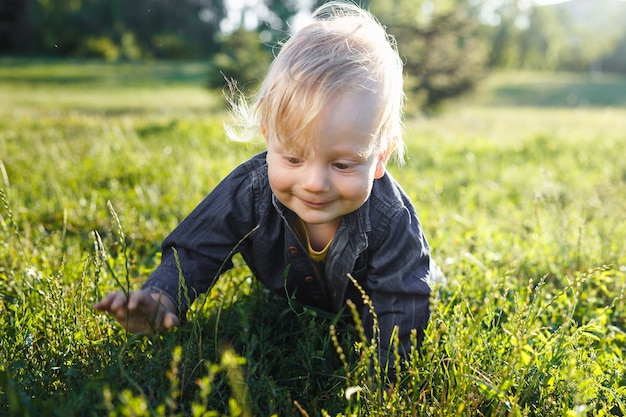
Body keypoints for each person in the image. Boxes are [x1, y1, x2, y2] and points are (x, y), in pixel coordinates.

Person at [94, 0, 439, 383]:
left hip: (366, 308)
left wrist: (387, 379)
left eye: (342, 165)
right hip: (289, 301)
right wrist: (164, 296)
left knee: (422, 284)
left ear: (379, 159)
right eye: (293, 158)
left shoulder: (392, 219)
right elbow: (198, 248)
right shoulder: (252, 189)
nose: (313, 182)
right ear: (268, 139)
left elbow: (403, 300)